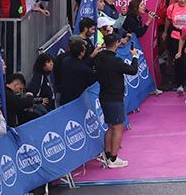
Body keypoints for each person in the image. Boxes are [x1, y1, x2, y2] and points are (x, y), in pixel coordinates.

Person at [93, 33, 141, 168]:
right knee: (118, 127)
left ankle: (108, 155)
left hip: (103, 96)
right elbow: (132, 70)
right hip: (114, 97)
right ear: (116, 44)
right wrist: (135, 56)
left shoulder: (99, 58)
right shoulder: (116, 61)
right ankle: (113, 159)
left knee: (110, 126)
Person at [56, 34, 98, 105]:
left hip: (64, 98)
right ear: (81, 53)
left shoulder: (65, 61)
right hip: (77, 101)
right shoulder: (85, 70)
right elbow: (89, 76)